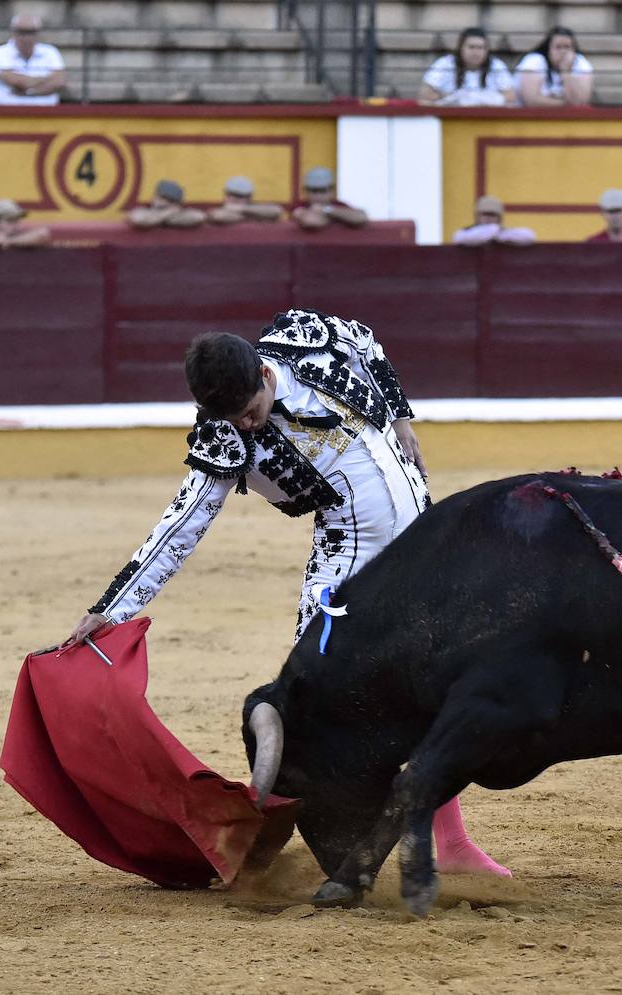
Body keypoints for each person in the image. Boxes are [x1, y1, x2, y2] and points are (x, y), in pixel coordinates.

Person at [62, 310, 510, 879]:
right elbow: (181, 526)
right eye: (232, 419)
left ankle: (451, 846)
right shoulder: (223, 434)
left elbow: (365, 340)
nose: (245, 428)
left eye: (249, 412)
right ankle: (292, 843)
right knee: (316, 703)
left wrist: (398, 415)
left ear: (267, 378)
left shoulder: (306, 340)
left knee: (441, 686)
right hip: (346, 560)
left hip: (423, 541)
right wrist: (111, 607)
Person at [419, 27, 515, 107]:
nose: (476, 52)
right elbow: (425, 94)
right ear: (460, 48)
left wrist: (484, 99)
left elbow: (510, 97)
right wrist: (452, 98)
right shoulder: (445, 63)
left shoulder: (496, 65)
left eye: (480, 48)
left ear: (487, 50)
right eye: (471, 47)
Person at [0, 13, 66, 106]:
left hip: (46, 114)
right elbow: (16, 81)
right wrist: (46, 79)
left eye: (31, 32)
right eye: (21, 32)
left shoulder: (50, 52)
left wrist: (28, 92)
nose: (26, 37)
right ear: (13, 32)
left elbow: (59, 81)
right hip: (8, 114)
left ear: (37, 33)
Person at [515, 26, 593, 107]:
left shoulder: (580, 62)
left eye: (567, 47)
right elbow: (531, 100)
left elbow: (581, 102)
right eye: (558, 47)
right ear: (548, 49)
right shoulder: (533, 61)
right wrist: (565, 103)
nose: (563, 52)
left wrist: (566, 72)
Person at [291, 167, 368, 231]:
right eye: (313, 191)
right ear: (306, 191)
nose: (318, 195)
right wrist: (338, 217)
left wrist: (326, 210)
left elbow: (361, 217)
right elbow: (311, 221)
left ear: (331, 191)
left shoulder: (338, 205)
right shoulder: (300, 205)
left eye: (322, 190)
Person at [452, 195, 536, 246]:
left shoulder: (503, 232)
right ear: (477, 217)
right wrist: (492, 232)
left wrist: (497, 234)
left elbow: (529, 236)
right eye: (485, 214)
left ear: (499, 219)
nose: (488, 218)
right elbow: (459, 238)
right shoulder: (466, 232)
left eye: (492, 215)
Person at [127, 180, 207, 230]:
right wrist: (167, 213)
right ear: (154, 197)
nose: (164, 202)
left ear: (177, 205)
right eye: (161, 198)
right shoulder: (143, 210)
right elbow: (138, 219)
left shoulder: (178, 214)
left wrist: (155, 220)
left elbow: (199, 217)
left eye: (170, 201)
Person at [209, 176, 283, 225]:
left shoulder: (255, 210)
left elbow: (277, 211)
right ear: (225, 195)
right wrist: (254, 216)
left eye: (240, 196)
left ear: (249, 198)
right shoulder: (217, 211)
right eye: (231, 194)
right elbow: (218, 217)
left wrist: (240, 209)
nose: (235, 199)